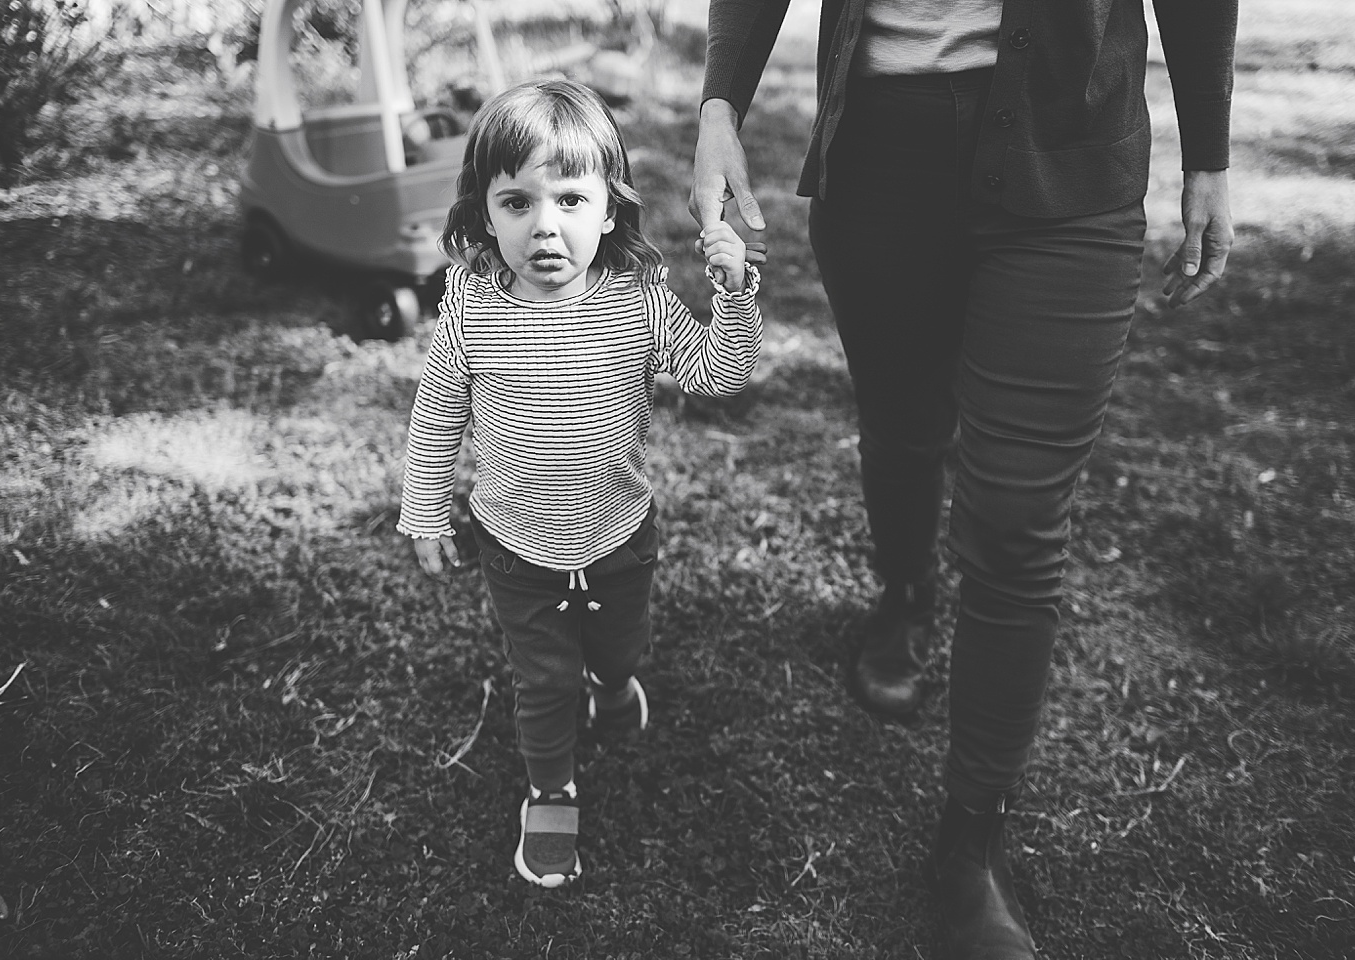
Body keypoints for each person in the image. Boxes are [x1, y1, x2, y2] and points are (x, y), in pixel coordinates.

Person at [689, 1, 1235, 956]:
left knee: (1020, 517)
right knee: (903, 429)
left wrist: (1210, 153)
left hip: (1068, 158)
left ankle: (969, 843)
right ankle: (904, 596)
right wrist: (717, 108)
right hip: (880, 154)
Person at [399, 78, 764, 888]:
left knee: (617, 650)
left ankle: (613, 679)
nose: (546, 226)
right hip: (517, 543)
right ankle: (551, 787)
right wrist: (426, 509)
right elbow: (437, 412)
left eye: (569, 198)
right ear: (485, 214)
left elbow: (717, 372)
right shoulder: (473, 304)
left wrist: (733, 298)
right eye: (517, 203)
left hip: (618, 534)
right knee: (545, 679)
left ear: (608, 208)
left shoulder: (637, 299)